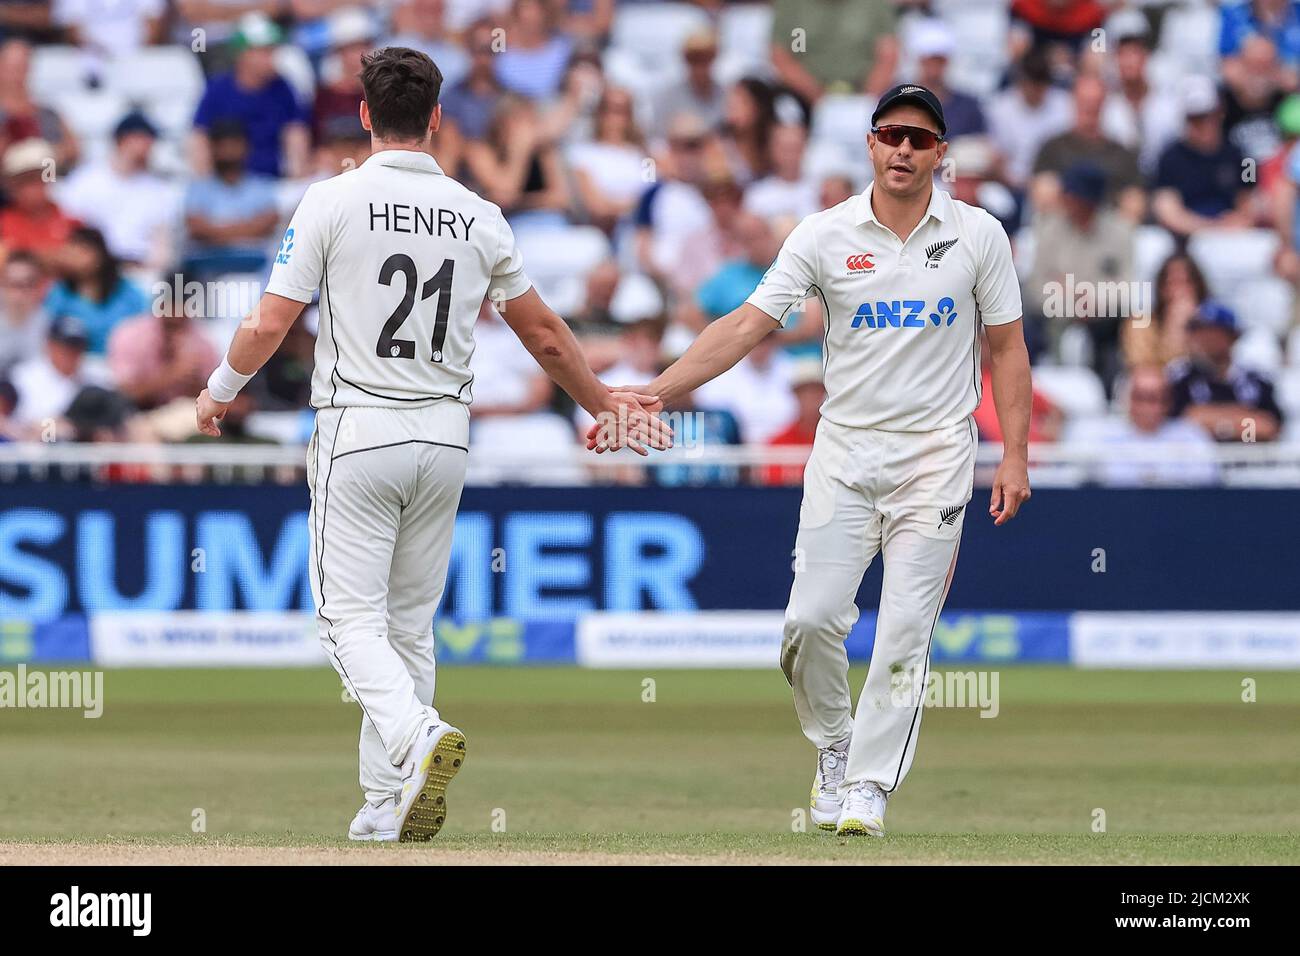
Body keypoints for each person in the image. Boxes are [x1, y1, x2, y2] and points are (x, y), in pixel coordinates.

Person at [194, 46, 668, 845]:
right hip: (445, 436)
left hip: (359, 427)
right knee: (408, 624)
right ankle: (386, 802)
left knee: (345, 624)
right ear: (438, 120)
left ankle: (416, 738)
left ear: (366, 115)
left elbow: (269, 321)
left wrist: (217, 392)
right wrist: (602, 402)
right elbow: (546, 335)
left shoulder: (332, 200)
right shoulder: (479, 214)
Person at [589, 84, 1031, 837]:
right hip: (846, 451)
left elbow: (1008, 348)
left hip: (937, 454)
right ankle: (834, 743)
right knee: (809, 623)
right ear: (869, 142)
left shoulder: (979, 234)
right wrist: (656, 393)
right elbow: (746, 325)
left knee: (903, 631)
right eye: (891, 134)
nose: (903, 149)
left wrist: (1015, 454)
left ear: (940, 153)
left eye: (920, 140)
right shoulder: (824, 234)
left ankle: (867, 786)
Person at [191, 14, 310, 179]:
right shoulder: (218, 90)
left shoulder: (283, 88)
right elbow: (200, 137)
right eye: (263, 51)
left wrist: (296, 176)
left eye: (272, 50)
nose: (271, 57)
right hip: (227, 183)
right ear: (242, 54)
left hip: (272, 181)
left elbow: (295, 134)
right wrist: (207, 183)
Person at [55, 110, 178, 270]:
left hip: (140, 269)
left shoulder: (159, 190)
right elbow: (69, 228)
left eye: (151, 140)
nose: (149, 146)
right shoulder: (85, 181)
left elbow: (162, 244)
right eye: (144, 139)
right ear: (123, 140)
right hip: (94, 267)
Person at [1070, 365, 1218, 486]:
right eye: (1141, 398)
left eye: (1156, 399)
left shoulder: (1191, 436)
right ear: (1127, 399)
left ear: (1169, 402)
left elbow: (1204, 485)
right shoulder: (1100, 436)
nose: (1148, 407)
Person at [1167, 301, 1283, 442]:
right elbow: (1182, 424)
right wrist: (1243, 417)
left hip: (1247, 461)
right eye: (1198, 332)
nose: (1204, 340)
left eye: (1213, 332)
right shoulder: (1181, 377)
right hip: (1196, 462)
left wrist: (1215, 423)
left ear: (1232, 336)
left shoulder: (1256, 379)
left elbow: (1267, 428)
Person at [1153, 77, 1254, 237]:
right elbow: (1167, 209)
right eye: (1195, 118)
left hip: (1233, 237)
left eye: (1208, 115)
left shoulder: (1243, 157)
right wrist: (1211, 227)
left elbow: (1250, 198)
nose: (1204, 124)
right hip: (1186, 239)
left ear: (1220, 112)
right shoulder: (1169, 158)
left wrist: (1240, 219)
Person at [182, 119, 281, 277]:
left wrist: (218, 231)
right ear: (212, 148)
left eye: (234, 143)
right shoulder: (198, 187)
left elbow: (269, 221)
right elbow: (195, 226)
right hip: (208, 265)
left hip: (254, 264)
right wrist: (245, 229)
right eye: (222, 143)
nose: (228, 149)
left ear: (246, 147)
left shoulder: (261, 185)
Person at [43, 227, 150, 355]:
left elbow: (145, 325)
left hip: (124, 362)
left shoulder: (127, 291)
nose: (75, 258)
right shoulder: (59, 293)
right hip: (76, 363)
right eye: (70, 253)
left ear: (99, 254)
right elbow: (47, 331)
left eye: (82, 252)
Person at [0, 250, 48, 375]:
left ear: (39, 288)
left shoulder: (49, 327)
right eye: (13, 284)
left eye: (27, 284)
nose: (19, 293)